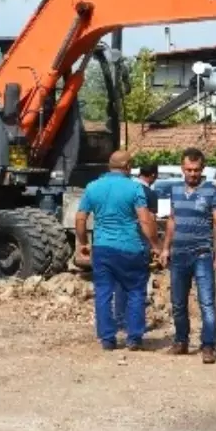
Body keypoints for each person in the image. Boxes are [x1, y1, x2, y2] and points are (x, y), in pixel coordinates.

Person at [75, 150, 159, 352]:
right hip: (130, 248)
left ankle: (107, 339)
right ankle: (134, 337)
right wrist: (155, 244)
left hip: (102, 248)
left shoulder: (93, 187)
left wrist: (83, 242)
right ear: (128, 166)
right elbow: (145, 220)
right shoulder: (134, 188)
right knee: (136, 291)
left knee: (103, 292)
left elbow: (80, 218)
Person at [160, 147, 216, 364]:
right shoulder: (175, 190)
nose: (192, 174)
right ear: (182, 168)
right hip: (179, 255)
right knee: (178, 302)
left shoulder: (212, 192)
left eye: (196, 170)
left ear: (203, 168)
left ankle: (208, 345)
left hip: (202, 255)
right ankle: (181, 341)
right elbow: (172, 220)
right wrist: (165, 248)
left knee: (207, 302)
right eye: (188, 170)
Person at [110, 164, 160, 328]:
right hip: (138, 243)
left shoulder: (123, 189)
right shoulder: (149, 194)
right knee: (138, 286)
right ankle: (135, 323)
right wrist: (155, 244)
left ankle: (119, 319)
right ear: (152, 175)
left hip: (118, 242)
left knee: (119, 284)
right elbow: (150, 220)